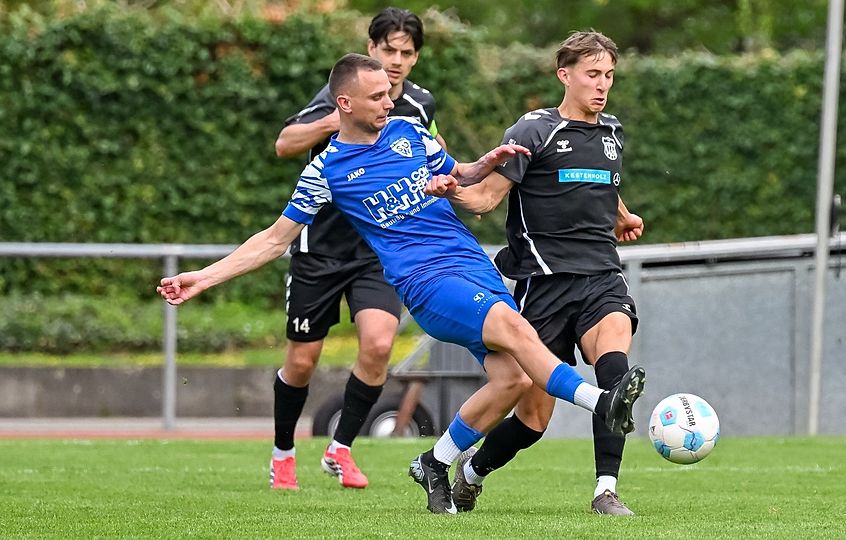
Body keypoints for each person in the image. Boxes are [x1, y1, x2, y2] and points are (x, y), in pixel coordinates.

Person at [157, 53, 644, 515]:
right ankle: (602, 402)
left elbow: (460, 175)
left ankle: (434, 462)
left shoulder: (409, 132)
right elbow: (271, 240)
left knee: (514, 379)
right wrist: (203, 277)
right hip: (426, 280)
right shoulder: (326, 170)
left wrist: (482, 165)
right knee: (515, 329)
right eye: (376, 97)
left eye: (389, 94)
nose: (389, 102)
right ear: (344, 103)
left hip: (472, 265)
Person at [423, 31, 645, 515]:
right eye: (592, 74)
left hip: (602, 277)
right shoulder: (533, 131)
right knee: (533, 421)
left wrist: (622, 215)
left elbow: (602, 185)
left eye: (609, 75)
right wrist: (450, 191)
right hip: (543, 286)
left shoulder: (612, 133)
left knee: (615, 375)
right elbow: (485, 199)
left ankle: (605, 490)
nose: (602, 85)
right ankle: (473, 472)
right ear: (564, 75)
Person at [270, 7, 444, 491]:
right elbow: (285, 143)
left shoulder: (420, 105)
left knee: (380, 344)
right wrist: (334, 121)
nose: (397, 60)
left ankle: (340, 448)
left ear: (416, 58)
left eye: (406, 52)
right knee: (301, 362)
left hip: (377, 248)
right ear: (371, 48)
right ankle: (283, 453)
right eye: (389, 49)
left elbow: (435, 152)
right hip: (320, 249)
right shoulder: (341, 97)